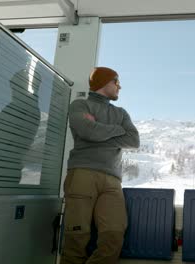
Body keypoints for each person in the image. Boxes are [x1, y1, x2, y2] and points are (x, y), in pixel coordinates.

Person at [61, 67, 140, 264]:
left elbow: (133, 140)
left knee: (113, 236)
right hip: (82, 174)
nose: (119, 86)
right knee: (76, 238)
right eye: (116, 82)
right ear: (104, 82)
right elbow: (88, 131)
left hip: (113, 181)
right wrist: (117, 131)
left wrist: (98, 131)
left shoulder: (121, 112)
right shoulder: (80, 105)